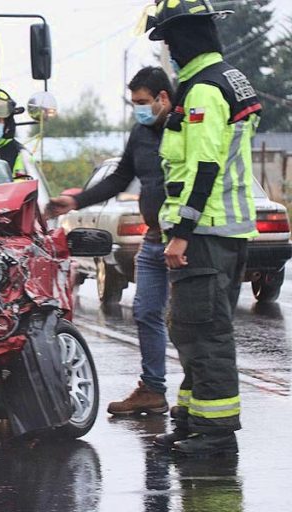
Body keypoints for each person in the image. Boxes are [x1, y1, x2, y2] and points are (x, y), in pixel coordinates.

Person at [146, 0, 261, 456]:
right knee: (193, 330)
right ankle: (192, 421)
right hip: (221, 234)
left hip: (205, 235)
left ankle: (215, 435)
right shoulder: (226, 79)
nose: (168, 53)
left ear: (184, 40)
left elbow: (205, 166)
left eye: (169, 43)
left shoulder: (204, 90)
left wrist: (181, 233)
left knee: (205, 334)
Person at [46, 67, 174, 416]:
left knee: (190, 320)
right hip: (153, 239)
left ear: (164, 98)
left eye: (143, 102)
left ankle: (197, 393)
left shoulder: (185, 128)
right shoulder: (141, 133)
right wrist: (76, 201)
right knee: (147, 312)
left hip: (186, 239)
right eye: (133, 103)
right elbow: (120, 177)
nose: (138, 109)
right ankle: (153, 389)